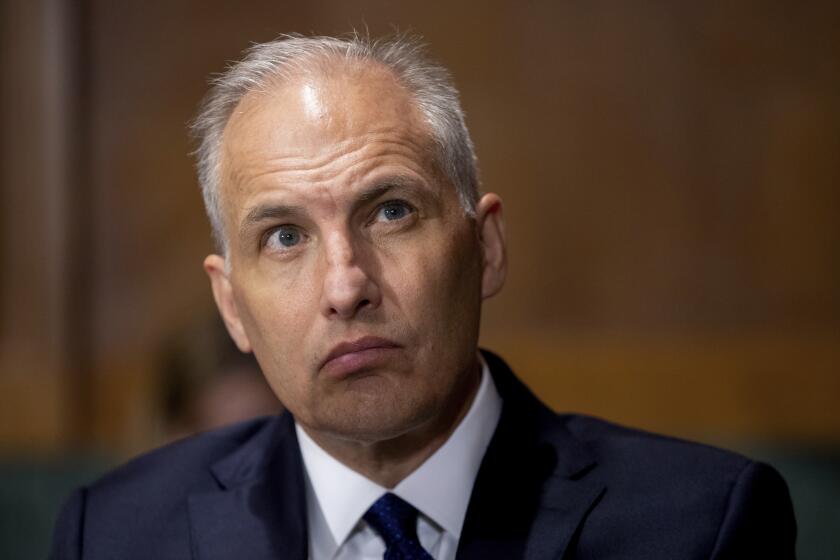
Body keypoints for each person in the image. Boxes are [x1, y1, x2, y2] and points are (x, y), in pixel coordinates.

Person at [49, 34, 796, 559]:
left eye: (391, 212)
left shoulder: (702, 527)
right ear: (232, 306)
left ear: (486, 247)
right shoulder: (113, 535)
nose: (345, 287)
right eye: (284, 236)